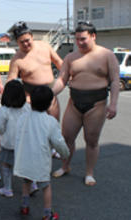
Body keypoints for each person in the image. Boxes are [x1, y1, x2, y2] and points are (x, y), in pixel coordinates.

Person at [51, 22, 120, 186]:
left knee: (91, 140)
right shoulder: (70, 57)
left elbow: (115, 81)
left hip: (97, 103)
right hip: (74, 102)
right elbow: (62, 79)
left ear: (93, 36)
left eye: (83, 39)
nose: (79, 42)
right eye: (77, 39)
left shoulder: (107, 55)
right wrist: (50, 94)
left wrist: (114, 104)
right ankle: (65, 166)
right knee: (67, 137)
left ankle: (89, 173)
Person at [14, 86, 69, 220]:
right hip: (40, 160)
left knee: (26, 181)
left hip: (24, 157)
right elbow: (58, 142)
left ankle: (25, 206)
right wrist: (65, 154)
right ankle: (47, 214)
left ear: (31, 101)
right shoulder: (50, 122)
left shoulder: (23, 117)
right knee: (45, 186)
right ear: (50, 103)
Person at [7, 21, 63, 120]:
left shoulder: (45, 46)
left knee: (53, 124)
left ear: (32, 37)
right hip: (30, 97)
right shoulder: (16, 60)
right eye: (21, 42)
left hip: (50, 92)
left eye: (27, 40)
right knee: (34, 128)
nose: (25, 44)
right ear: (17, 42)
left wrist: (69, 76)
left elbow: (59, 62)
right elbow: (11, 80)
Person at [0, 80, 29, 197]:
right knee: (25, 166)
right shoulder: (27, 107)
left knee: (6, 165)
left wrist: (1, 134)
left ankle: (7, 188)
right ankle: (32, 185)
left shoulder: (4, 110)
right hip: (24, 143)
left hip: (9, 143)